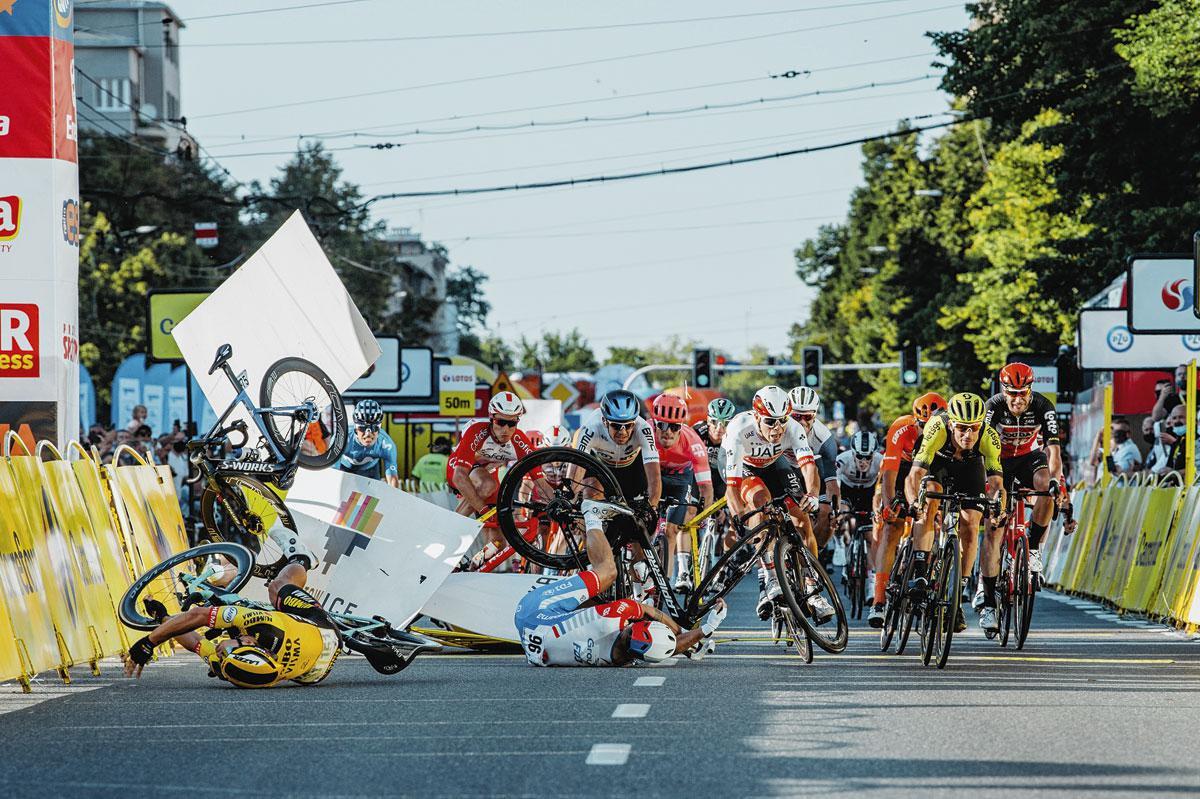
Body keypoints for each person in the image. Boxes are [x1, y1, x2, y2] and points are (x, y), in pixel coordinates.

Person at [515, 500, 727, 666]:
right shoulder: (623, 658)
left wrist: (686, 631)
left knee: (608, 572)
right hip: (533, 645)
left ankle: (592, 515)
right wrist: (706, 629)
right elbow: (669, 649)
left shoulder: (616, 616)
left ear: (633, 628)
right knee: (588, 609)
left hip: (533, 611)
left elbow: (651, 613)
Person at [124, 532, 340, 688]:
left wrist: (163, 617)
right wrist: (148, 643)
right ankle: (302, 559)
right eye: (227, 649)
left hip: (314, 675)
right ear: (248, 642)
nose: (220, 650)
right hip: (324, 631)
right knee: (277, 588)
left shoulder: (233, 667)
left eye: (223, 655)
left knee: (230, 619)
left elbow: (197, 643)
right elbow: (198, 615)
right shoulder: (266, 627)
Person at [723, 386, 831, 622]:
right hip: (744, 468)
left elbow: (808, 466)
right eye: (770, 422)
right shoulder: (739, 429)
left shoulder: (793, 427)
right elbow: (731, 487)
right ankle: (770, 578)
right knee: (760, 502)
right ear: (757, 416)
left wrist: (812, 494)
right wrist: (739, 515)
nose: (777, 428)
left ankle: (812, 586)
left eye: (782, 420)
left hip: (774, 465)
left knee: (801, 518)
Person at [905, 393, 1005, 634]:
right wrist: (913, 503)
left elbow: (997, 483)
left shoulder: (989, 437)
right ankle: (920, 572)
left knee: (971, 524)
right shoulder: (936, 427)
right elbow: (915, 475)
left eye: (973, 428)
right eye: (961, 428)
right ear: (951, 423)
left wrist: (997, 508)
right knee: (928, 503)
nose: (967, 435)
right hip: (938, 462)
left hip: (970, 468)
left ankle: (957, 594)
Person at [980, 362, 1064, 592]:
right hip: (1000, 461)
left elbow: (1053, 450)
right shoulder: (993, 406)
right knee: (994, 524)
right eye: (1012, 394)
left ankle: (1034, 551)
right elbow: (981, 449)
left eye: (1022, 393)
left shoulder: (1043, 405)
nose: (1017, 400)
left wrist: (1056, 481)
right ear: (1003, 390)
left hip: (1029, 457)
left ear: (1030, 389)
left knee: (1046, 486)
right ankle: (983, 584)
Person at [869, 392, 946, 627]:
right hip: (902, 467)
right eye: (922, 425)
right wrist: (890, 504)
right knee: (892, 528)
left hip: (931, 468)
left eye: (930, 424)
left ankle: (927, 576)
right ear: (915, 420)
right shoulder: (902, 428)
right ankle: (879, 602)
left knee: (933, 515)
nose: (926, 430)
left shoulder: (946, 431)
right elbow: (889, 475)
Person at [649, 394, 713, 592]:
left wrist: (703, 515)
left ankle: (664, 584)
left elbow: (705, 488)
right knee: (641, 526)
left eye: (674, 427)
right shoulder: (644, 433)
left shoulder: (693, 442)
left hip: (679, 479)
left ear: (681, 427)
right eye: (662, 425)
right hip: (651, 474)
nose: (667, 432)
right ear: (654, 423)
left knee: (671, 530)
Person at [448, 392, 540, 517]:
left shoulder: (519, 439)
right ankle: (450, 529)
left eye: (512, 423)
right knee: (487, 485)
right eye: (500, 422)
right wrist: (483, 510)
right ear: (491, 418)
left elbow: (540, 481)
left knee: (495, 533)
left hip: (489, 472)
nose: (506, 429)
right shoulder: (477, 430)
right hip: (459, 469)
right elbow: (459, 476)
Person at [787, 387, 840, 552]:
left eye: (808, 416)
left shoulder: (824, 438)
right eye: (796, 416)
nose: (802, 422)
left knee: (827, 513)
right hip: (787, 470)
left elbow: (832, 483)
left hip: (815, 471)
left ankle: (814, 555)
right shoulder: (778, 429)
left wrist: (836, 511)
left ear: (815, 415)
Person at [333, 400, 400, 488]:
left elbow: (392, 479)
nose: (368, 433)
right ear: (355, 428)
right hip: (344, 468)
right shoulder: (342, 438)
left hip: (370, 471)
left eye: (374, 428)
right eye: (362, 428)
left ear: (379, 428)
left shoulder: (386, 444)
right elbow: (333, 471)